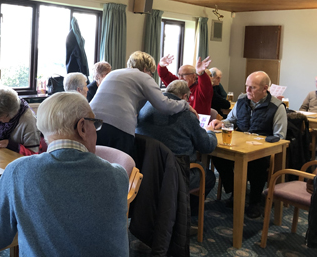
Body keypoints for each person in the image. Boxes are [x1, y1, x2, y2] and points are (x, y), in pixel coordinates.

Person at [0, 92, 129, 257]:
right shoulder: (118, 176)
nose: (97, 132)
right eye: (96, 124)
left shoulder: (18, 171)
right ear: (83, 127)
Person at [209, 71, 287, 218]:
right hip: (240, 145)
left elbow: (280, 136)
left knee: (257, 163)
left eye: (252, 87)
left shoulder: (277, 107)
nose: (247, 91)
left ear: (265, 88)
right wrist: (221, 122)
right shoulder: (242, 100)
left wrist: (261, 142)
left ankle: (255, 201)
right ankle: (236, 191)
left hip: (262, 149)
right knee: (217, 155)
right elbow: (230, 120)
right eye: (247, 86)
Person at [136, 80, 217, 214]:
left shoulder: (145, 107)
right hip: (176, 173)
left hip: (147, 169)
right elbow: (207, 147)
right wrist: (210, 132)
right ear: (184, 97)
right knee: (208, 177)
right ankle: (186, 215)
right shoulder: (186, 114)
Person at [90, 51, 193, 155]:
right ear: (145, 69)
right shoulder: (144, 76)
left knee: (97, 162)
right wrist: (185, 104)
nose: (151, 77)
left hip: (91, 121)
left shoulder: (113, 73)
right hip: (118, 125)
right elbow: (165, 106)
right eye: (152, 73)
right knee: (121, 165)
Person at [0, 87, 41, 155]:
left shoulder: (29, 121)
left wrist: (9, 144)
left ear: (11, 114)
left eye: (0, 118)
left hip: (17, 161)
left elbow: (33, 154)